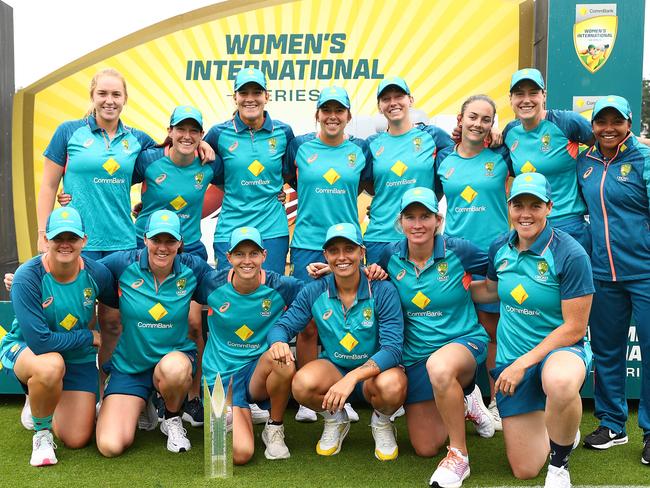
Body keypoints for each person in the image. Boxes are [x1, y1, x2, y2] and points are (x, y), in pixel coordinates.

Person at [37, 69, 214, 428]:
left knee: (114, 324)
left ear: (125, 99)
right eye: (103, 93)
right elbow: (47, 184)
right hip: (78, 243)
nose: (109, 100)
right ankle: (53, 393)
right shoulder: (68, 132)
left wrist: (202, 144)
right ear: (92, 94)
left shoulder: (138, 141)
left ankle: (121, 393)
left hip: (121, 242)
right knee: (73, 320)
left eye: (116, 94)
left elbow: (171, 155)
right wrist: (44, 231)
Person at [471, 172, 594, 488]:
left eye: (535, 205)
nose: (525, 214)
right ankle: (561, 422)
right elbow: (489, 291)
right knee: (524, 469)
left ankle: (559, 464)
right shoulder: (499, 246)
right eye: (518, 205)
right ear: (509, 207)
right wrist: (441, 289)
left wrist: (522, 364)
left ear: (549, 207)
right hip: (513, 359)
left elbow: (574, 327)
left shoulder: (570, 253)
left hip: (560, 352)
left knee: (561, 381)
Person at [375, 187, 493, 488]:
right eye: (410, 217)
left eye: (425, 216)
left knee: (441, 367)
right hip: (417, 357)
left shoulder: (459, 249)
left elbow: (497, 267)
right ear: (401, 222)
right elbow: (367, 278)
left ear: (437, 220)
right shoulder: (389, 254)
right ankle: (466, 402)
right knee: (426, 447)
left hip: (464, 342)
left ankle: (458, 456)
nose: (418, 224)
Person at [268, 223, 406, 460]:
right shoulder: (314, 290)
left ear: (362, 252)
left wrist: (352, 378)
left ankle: (382, 421)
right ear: (326, 256)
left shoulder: (382, 290)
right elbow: (282, 326)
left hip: (375, 373)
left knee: (393, 387)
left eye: (349, 249)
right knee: (301, 384)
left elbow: (393, 350)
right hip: (335, 368)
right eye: (334, 251)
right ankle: (335, 418)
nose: (342, 257)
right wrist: (278, 342)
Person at [95, 210, 214, 457]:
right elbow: (79, 272)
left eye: (170, 241)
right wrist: (26, 276)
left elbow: (234, 285)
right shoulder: (121, 263)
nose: (163, 247)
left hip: (173, 361)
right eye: (156, 240)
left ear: (180, 243)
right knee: (110, 446)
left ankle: (171, 417)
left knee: (174, 370)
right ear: (145, 239)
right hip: (131, 366)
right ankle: (143, 402)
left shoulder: (194, 269)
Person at [0, 208, 114, 466]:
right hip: (29, 350)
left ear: (84, 240)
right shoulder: (27, 276)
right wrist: (88, 337)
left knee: (76, 438)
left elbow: (115, 310)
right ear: (45, 240)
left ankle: (47, 398)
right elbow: (40, 342)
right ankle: (41, 431)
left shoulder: (98, 274)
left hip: (76, 357)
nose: (65, 244)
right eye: (58, 237)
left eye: (72, 238)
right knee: (51, 365)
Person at [131, 105, 222, 426]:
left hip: (191, 250)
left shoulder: (209, 165)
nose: (186, 136)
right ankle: (142, 394)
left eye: (194, 131)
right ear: (169, 131)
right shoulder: (149, 161)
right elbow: (110, 181)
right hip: (148, 248)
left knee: (194, 325)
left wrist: (207, 147)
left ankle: (192, 397)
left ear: (201, 135)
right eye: (180, 129)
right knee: (140, 321)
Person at [576, 96, 650, 464]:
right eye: (600, 121)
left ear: (629, 122)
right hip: (602, 273)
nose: (608, 128)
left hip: (645, 272)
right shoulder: (585, 163)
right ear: (592, 125)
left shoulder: (643, 159)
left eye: (615, 121)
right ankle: (612, 424)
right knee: (606, 350)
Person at [435, 95, 511, 430]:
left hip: (495, 253)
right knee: (454, 327)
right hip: (455, 257)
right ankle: (464, 398)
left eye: (486, 119)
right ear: (460, 118)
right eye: (473, 117)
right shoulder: (443, 161)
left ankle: (495, 403)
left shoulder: (502, 156)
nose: (478, 124)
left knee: (492, 331)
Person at [199, 226, 302, 464]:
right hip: (220, 378)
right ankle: (235, 412)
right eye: (239, 254)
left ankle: (274, 427)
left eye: (253, 254)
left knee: (283, 359)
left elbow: (317, 292)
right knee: (240, 455)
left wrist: (363, 272)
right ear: (228, 257)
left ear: (264, 255)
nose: (247, 261)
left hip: (258, 373)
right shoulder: (210, 283)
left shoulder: (281, 285)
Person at [204, 68, 294, 275]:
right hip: (231, 227)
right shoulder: (219, 133)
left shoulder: (284, 132)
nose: (250, 99)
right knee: (231, 295)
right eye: (244, 93)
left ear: (267, 96)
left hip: (271, 229)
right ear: (235, 97)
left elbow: (289, 171)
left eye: (257, 92)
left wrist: (276, 189)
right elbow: (196, 168)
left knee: (270, 296)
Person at [363, 76, 453, 264]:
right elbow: (370, 185)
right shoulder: (371, 144)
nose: (393, 103)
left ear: (410, 100)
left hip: (420, 236)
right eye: (386, 99)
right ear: (379, 106)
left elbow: (464, 155)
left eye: (399, 97)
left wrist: (492, 136)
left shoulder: (433, 137)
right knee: (378, 292)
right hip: (380, 236)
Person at [503, 68, 594, 252]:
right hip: (529, 228)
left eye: (533, 93)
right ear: (511, 99)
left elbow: (609, 140)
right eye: (519, 94)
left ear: (544, 95)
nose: (526, 100)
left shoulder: (566, 122)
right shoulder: (509, 132)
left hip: (568, 226)